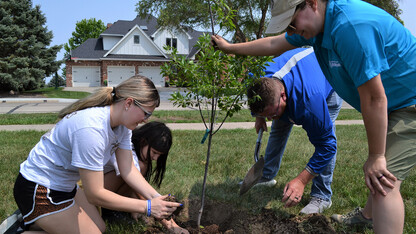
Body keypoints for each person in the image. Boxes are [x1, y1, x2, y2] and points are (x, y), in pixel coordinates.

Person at [212, 0, 416, 233]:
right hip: (394, 101)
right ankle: (368, 216)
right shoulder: (314, 28)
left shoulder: (350, 28)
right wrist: (229, 48)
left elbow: (373, 99)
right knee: (376, 169)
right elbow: (272, 43)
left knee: (383, 181)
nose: (291, 32)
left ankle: (330, 198)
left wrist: (376, 155)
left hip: (410, 102)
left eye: (291, 23)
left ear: (311, 3)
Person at [13, 75, 181, 233]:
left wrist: (158, 199)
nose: (146, 119)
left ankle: (40, 222)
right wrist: (148, 207)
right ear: (129, 103)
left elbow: (128, 170)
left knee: (99, 227)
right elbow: (95, 194)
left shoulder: (122, 126)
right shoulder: (91, 129)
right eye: (146, 113)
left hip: (65, 187)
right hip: (39, 189)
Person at [246, 47, 342, 214]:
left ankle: (322, 196)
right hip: (292, 87)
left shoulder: (310, 101)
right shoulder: (257, 79)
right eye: (267, 115)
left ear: (283, 96)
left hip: (328, 84)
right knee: (278, 130)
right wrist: (259, 116)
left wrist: (302, 180)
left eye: (272, 113)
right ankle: (266, 176)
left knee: (325, 138)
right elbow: (261, 103)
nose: (271, 118)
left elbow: (327, 146)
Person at [103, 121, 188, 234]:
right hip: (95, 192)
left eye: (160, 155)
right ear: (143, 141)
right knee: (138, 169)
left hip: (107, 187)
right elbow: (139, 189)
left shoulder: (138, 155)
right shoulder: (127, 152)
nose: (156, 158)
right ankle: (108, 211)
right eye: (154, 152)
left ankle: (116, 210)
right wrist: (170, 225)